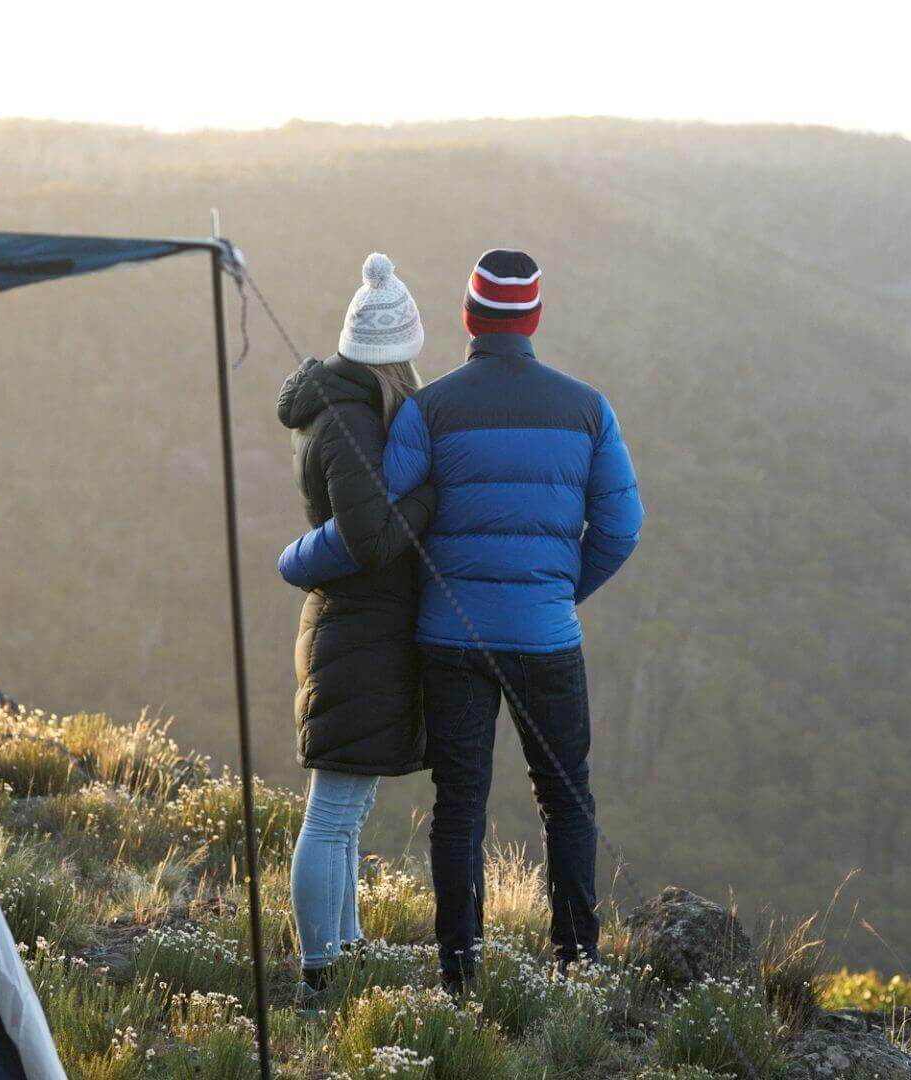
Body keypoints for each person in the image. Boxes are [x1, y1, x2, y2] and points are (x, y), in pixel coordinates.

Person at [284, 248, 643, 992]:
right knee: (566, 799)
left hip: (451, 636)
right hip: (546, 638)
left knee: (460, 806)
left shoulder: (429, 409)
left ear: (469, 317)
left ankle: (459, 972)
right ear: (535, 318)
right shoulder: (588, 408)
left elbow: (381, 520)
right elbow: (620, 527)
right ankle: (577, 961)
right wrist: (551, 591)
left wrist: (296, 558)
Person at [274, 252, 438, 1006]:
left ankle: (345, 955)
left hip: (353, 626)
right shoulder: (348, 418)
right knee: (334, 813)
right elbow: (369, 538)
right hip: (357, 630)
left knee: (346, 815)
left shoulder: (335, 408)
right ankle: (318, 974)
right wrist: (430, 500)